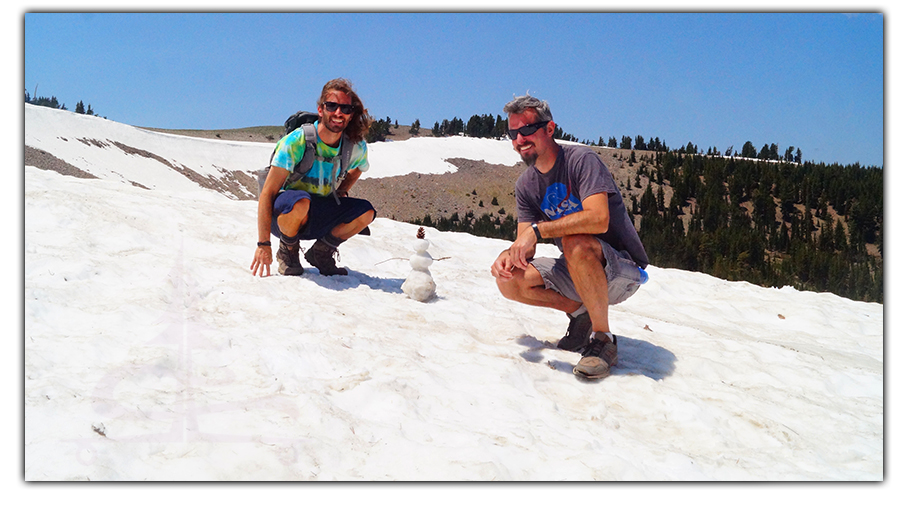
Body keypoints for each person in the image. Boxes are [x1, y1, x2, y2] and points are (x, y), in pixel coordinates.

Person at [490, 95, 649, 379]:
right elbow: (523, 246)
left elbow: (599, 219)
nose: (519, 139)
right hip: (578, 269)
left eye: (526, 130)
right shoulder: (525, 185)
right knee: (510, 280)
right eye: (512, 134)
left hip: (621, 270)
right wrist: (508, 257)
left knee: (576, 243)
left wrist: (538, 231)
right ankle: (580, 313)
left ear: (550, 129)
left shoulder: (580, 160)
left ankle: (603, 341)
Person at [251, 78, 376, 278]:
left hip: (318, 211)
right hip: (286, 213)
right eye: (332, 106)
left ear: (351, 114)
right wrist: (263, 244)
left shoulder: (355, 146)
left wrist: (342, 190)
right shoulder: (296, 141)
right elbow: (268, 192)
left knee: (366, 212)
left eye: (345, 108)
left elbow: (359, 168)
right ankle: (288, 250)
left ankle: (321, 253)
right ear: (321, 110)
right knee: (301, 201)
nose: (338, 113)